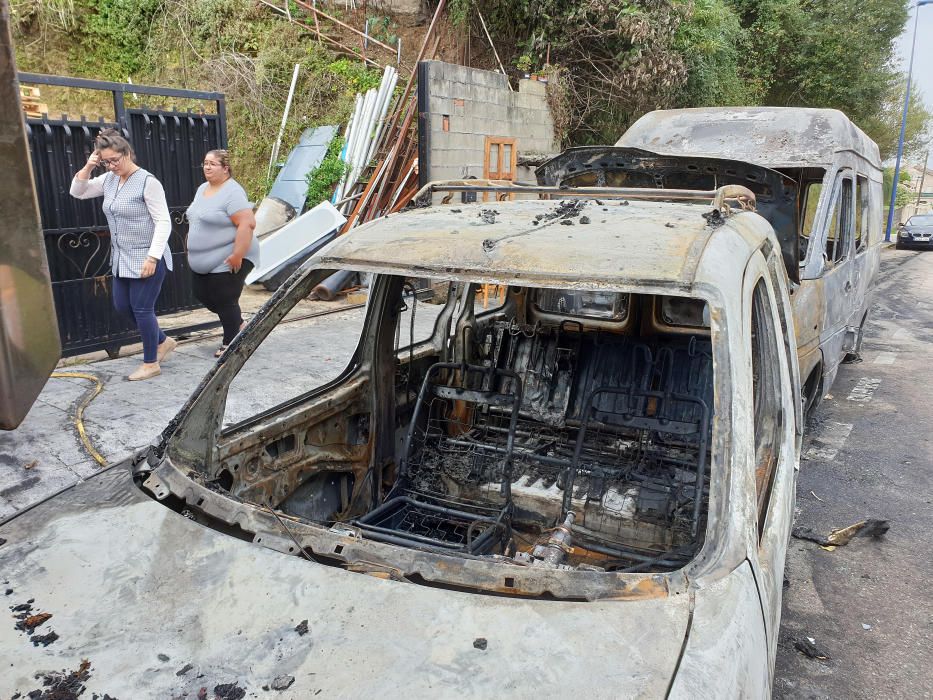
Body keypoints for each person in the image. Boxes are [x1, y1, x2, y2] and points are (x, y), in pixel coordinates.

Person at [70, 128, 176, 381]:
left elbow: (163, 221)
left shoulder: (148, 182)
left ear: (127, 153)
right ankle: (163, 341)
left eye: (114, 160)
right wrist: (89, 165)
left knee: (142, 309)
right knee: (121, 305)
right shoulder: (108, 180)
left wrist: (153, 258)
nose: (111, 166)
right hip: (121, 257)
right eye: (106, 162)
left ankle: (151, 363)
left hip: (146, 256)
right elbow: (78, 191)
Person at [185, 149, 258, 357]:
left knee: (224, 297)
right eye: (205, 163)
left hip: (231, 253)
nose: (207, 167)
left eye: (212, 164)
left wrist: (237, 255)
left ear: (225, 168)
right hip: (205, 258)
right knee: (201, 293)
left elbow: (247, 223)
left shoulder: (232, 192)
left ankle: (231, 342)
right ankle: (238, 324)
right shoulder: (202, 189)